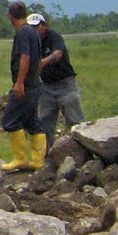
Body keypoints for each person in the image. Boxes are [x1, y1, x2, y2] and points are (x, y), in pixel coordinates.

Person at [2, 0, 47, 170]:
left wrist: (19, 83)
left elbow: (25, 57)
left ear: (10, 16)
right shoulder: (33, 31)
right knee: (32, 121)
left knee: (10, 121)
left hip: (26, 85)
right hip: (35, 83)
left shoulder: (22, 33)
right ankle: (37, 161)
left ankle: (19, 158)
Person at [32, 11, 85, 149]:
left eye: (37, 26)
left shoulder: (54, 37)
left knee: (75, 122)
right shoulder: (32, 42)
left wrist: (42, 63)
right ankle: (47, 155)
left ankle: (84, 152)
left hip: (65, 85)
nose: (35, 30)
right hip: (46, 87)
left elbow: (58, 54)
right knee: (44, 123)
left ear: (44, 25)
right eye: (31, 27)